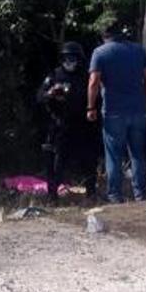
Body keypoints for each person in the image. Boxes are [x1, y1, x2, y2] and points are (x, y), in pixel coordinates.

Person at [87, 24, 146, 203]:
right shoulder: (139, 50)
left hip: (113, 111)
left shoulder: (100, 53)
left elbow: (94, 82)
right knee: (137, 153)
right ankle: (140, 192)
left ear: (104, 36)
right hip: (138, 109)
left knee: (114, 154)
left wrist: (90, 107)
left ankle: (115, 195)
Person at [36, 41, 99, 202]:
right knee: (57, 162)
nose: (69, 62)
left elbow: (97, 98)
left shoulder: (86, 76)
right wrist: (51, 94)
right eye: (66, 58)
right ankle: (52, 195)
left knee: (89, 160)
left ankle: (91, 192)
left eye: (73, 58)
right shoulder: (54, 76)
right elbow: (39, 97)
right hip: (61, 125)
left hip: (83, 125)